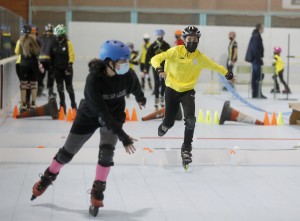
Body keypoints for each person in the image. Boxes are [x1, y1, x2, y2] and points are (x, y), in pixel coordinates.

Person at [31, 40, 146, 217]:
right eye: (122, 62)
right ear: (109, 62)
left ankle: (97, 190)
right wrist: (123, 136)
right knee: (66, 154)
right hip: (89, 116)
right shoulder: (93, 79)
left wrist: (140, 98)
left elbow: (135, 85)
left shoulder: (127, 74)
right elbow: (102, 113)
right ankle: (47, 178)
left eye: (127, 62)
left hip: (114, 115)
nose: (126, 66)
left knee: (107, 154)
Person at [150, 26, 234, 170]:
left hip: (188, 91)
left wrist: (227, 74)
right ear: (184, 40)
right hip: (171, 89)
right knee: (169, 122)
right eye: (189, 39)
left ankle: (186, 149)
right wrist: (159, 69)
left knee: (190, 121)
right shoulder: (174, 51)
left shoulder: (199, 58)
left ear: (198, 41)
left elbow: (215, 66)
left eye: (195, 40)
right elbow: (155, 58)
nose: (192, 42)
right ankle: (166, 125)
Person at [51, 24, 77, 113]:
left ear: (62, 35)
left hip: (67, 69)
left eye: (58, 36)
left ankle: (74, 106)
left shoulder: (68, 43)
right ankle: (62, 108)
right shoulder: (53, 44)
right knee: (60, 88)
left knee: (69, 88)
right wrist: (52, 69)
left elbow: (72, 54)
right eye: (55, 36)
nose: (56, 38)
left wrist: (70, 65)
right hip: (57, 69)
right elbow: (52, 57)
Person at [15, 24, 40, 112]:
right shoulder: (35, 40)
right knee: (33, 85)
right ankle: (33, 104)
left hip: (23, 64)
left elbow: (17, 52)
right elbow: (38, 53)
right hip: (33, 65)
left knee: (24, 85)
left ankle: (23, 105)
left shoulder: (20, 41)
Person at [144, 29, 170, 109]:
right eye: (158, 35)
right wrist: (146, 68)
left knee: (163, 83)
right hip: (155, 67)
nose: (160, 37)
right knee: (156, 82)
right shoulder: (152, 46)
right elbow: (147, 57)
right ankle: (156, 99)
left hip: (165, 66)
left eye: (161, 35)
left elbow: (170, 56)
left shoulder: (166, 45)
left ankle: (162, 98)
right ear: (156, 36)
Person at [245, 23, 266, 99]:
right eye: (263, 28)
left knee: (257, 76)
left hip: (256, 59)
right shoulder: (256, 36)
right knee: (258, 76)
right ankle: (257, 93)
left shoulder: (256, 35)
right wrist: (259, 59)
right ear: (259, 28)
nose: (263, 29)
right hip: (256, 60)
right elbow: (255, 49)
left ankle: (256, 93)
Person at [38, 23, 56, 97]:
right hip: (50, 61)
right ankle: (50, 91)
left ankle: (39, 90)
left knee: (40, 76)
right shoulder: (54, 38)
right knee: (51, 76)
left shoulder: (41, 38)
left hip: (41, 60)